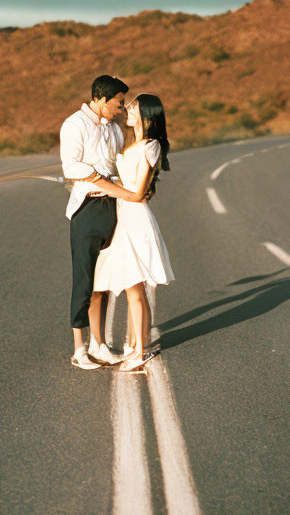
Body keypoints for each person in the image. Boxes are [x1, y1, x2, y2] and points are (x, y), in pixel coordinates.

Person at [60, 75, 140, 370]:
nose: (121, 108)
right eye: (118, 103)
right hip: (88, 206)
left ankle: (99, 344)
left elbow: (118, 163)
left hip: (112, 207)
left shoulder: (115, 130)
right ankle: (78, 349)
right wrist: (105, 180)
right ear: (102, 99)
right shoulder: (74, 125)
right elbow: (71, 166)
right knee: (83, 278)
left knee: (102, 282)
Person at [94, 94, 174, 372]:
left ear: (147, 116)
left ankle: (139, 352)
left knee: (134, 288)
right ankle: (139, 345)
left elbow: (139, 193)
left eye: (133, 108)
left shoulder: (150, 146)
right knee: (134, 286)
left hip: (135, 218)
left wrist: (105, 186)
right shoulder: (134, 144)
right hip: (124, 215)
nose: (127, 110)